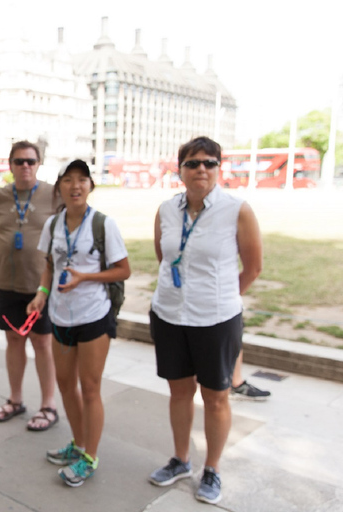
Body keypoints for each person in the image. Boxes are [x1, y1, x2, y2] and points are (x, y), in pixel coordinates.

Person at [147, 136, 262, 505]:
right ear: (180, 169)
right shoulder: (166, 210)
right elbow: (163, 258)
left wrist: (223, 296)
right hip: (169, 315)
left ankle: (211, 468)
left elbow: (253, 266)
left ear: (219, 168)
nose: (201, 169)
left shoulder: (237, 209)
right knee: (179, 391)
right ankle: (181, 459)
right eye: (193, 163)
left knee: (216, 397)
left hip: (215, 319)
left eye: (210, 163)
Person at [28, 159, 130, 487]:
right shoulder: (54, 225)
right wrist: (42, 293)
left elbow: (123, 269)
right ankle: (78, 443)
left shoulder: (103, 225)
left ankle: (90, 457)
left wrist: (85, 277)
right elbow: (50, 265)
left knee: (90, 388)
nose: (75, 186)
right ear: (59, 187)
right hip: (59, 315)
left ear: (90, 186)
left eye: (82, 180)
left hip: (93, 316)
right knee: (65, 384)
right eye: (68, 180)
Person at [0, 140, 59, 431]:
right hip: (6, 284)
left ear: (39, 163)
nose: (25, 166)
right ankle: (16, 401)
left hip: (40, 286)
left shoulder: (53, 195)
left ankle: (48, 406)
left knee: (42, 343)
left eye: (30, 161)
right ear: (10, 165)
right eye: (19, 161)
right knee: (13, 341)